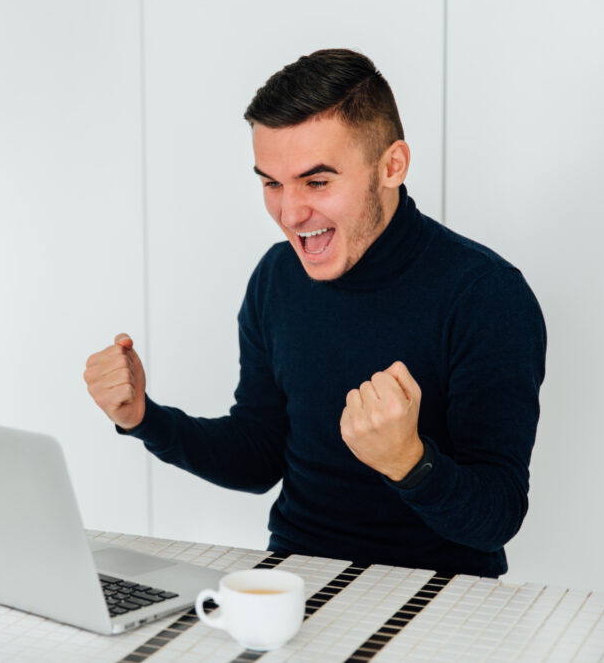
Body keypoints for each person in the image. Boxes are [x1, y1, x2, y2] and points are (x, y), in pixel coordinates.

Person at [83, 49, 546, 578]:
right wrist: (144, 417)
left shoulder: (486, 296)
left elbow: (497, 516)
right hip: (294, 580)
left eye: (317, 182)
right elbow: (260, 455)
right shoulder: (277, 278)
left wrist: (409, 462)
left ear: (392, 165)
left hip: (438, 595)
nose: (290, 212)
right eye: (271, 183)